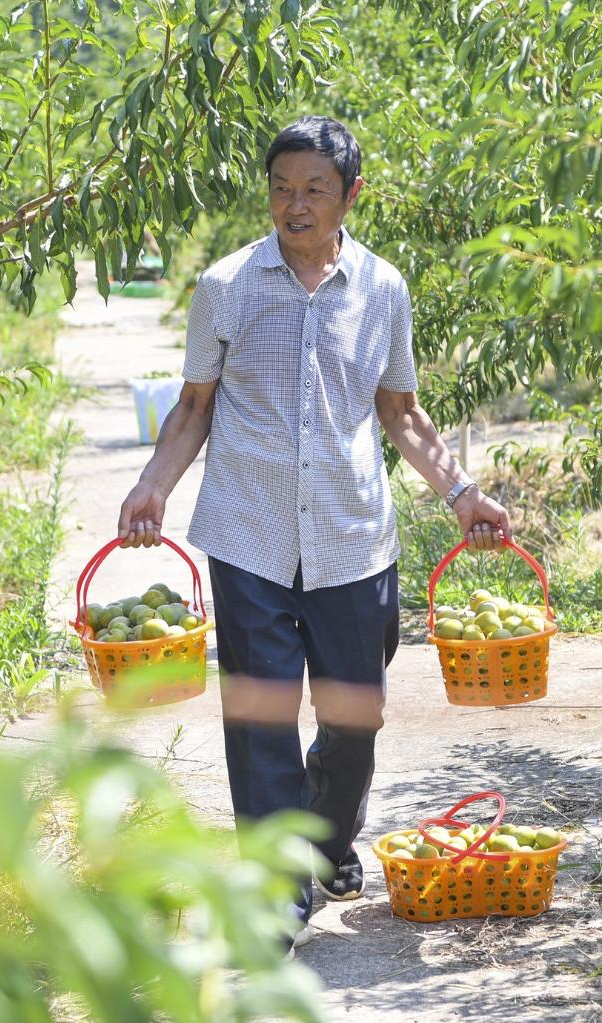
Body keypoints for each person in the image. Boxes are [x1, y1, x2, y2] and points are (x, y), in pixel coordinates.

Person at [117, 115, 512, 950]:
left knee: (353, 715)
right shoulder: (227, 286)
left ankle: (327, 844)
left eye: (313, 190)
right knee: (260, 718)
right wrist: (152, 485)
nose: (293, 206)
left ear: (350, 196)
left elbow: (399, 412)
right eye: (280, 188)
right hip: (249, 532)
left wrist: (462, 491)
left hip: (351, 536)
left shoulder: (382, 289)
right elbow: (194, 407)